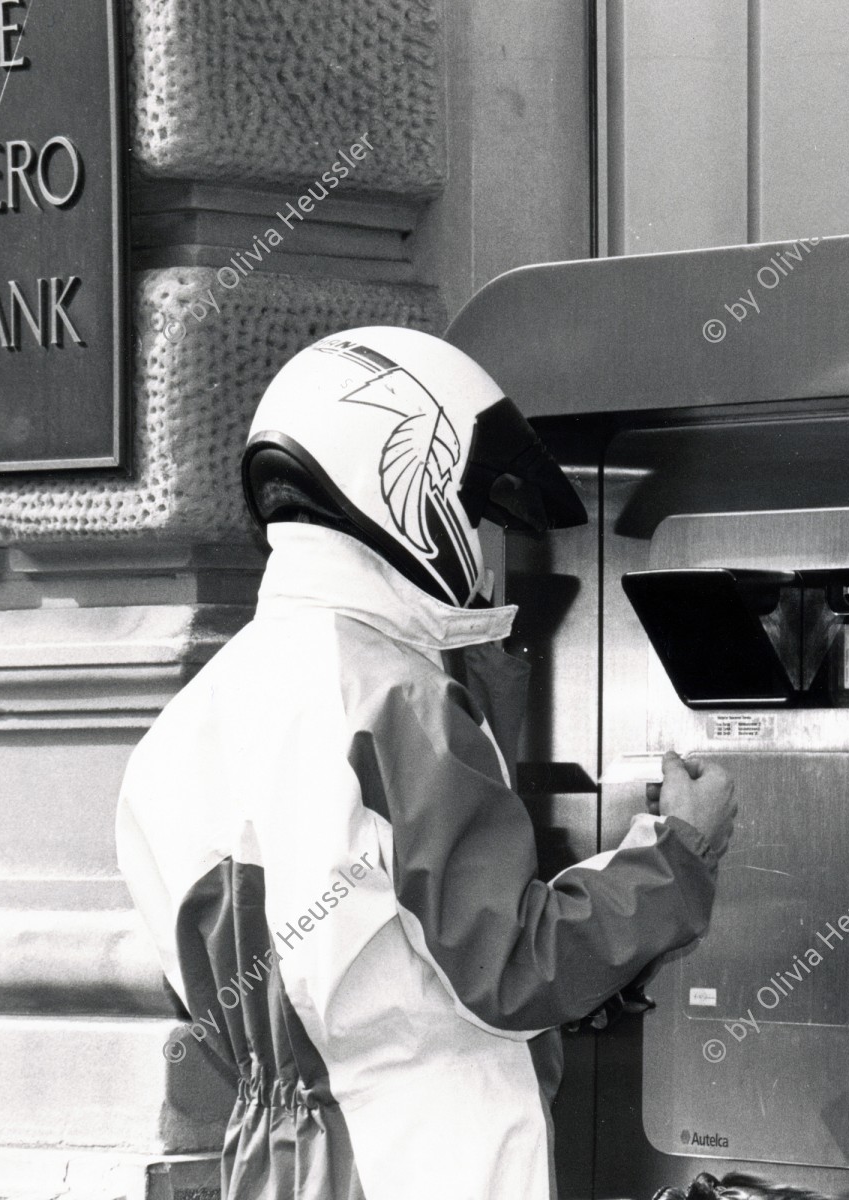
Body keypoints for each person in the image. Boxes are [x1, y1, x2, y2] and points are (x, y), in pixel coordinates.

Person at [117, 326, 737, 1199]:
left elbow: (363, 973)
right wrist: (679, 853)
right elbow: (509, 969)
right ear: (401, 480)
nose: (486, 547)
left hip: (276, 1161)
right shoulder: (393, 699)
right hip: (426, 1156)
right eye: (480, 509)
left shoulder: (184, 727)